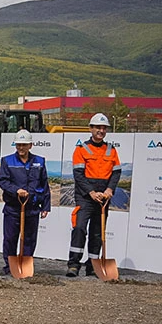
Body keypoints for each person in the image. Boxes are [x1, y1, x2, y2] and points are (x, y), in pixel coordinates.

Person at [66, 113, 121, 278]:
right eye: (98, 127)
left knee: (98, 232)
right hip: (85, 196)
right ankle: (74, 264)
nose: (101, 131)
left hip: (103, 197)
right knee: (80, 228)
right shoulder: (81, 149)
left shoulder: (111, 150)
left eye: (104, 128)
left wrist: (109, 190)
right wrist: (91, 192)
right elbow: (79, 175)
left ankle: (93, 265)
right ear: (91, 129)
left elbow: (116, 173)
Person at [0, 130, 50, 274]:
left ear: (30, 145)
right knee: (10, 239)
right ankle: (10, 266)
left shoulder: (39, 161)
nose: (21, 148)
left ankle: (25, 265)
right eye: (19, 145)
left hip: (32, 208)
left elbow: (44, 184)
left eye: (24, 145)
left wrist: (46, 206)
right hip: (13, 208)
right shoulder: (7, 161)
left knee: (30, 239)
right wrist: (16, 190)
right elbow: (2, 181)